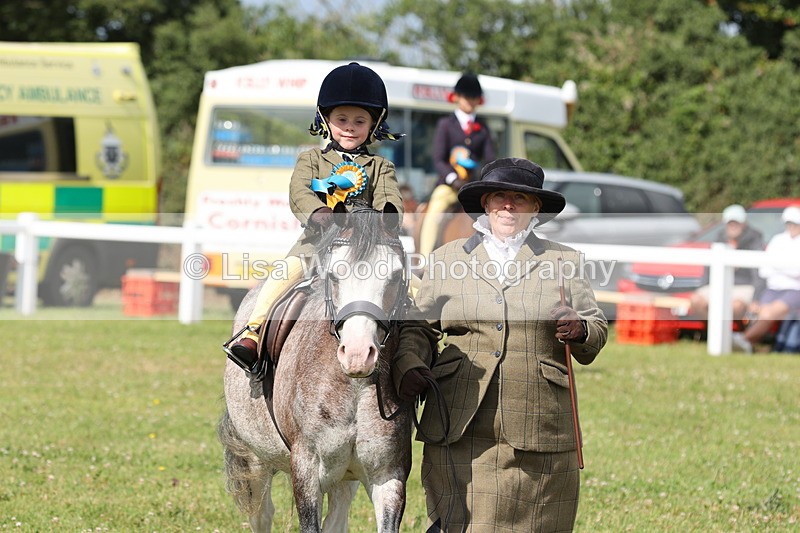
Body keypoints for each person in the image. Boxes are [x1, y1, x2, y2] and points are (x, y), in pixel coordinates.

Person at [393, 158, 608, 531]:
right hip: (460, 415)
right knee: (462, 520)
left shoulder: (564, 261)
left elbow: (597, 326)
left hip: (536, 420)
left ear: (535, 207)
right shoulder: (446, 259)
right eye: (499, 197)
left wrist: (581, 329)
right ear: (486, 204)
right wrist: (408, 364)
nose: (508, 205)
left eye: (519, 198)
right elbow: (418, 327)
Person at [226, 62, 404, 369]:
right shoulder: (310, 159)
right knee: (280, 278)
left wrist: (386, 217)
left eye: (359, 121)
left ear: (373, 125)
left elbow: (390, 198)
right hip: (315, 244)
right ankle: (253, 332)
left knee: (410, 291)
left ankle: (419, 351)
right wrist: (319, 213)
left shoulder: (381, 166)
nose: (350, 127)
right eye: (342, 119)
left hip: (367, 248)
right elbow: (299, 191)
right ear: (326, 120)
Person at [418, 72, 497, 257]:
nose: (470, 101)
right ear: (457, 97)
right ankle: (424, 259)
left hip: (474, 187)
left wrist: (481, 180)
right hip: (449, 186)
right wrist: (453, 179)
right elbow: (438, 159)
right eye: (466, 97)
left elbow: (489, 160)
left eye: (473, 97)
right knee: (435, 212)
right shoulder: (445, 125)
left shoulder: (483, 128)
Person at [732, 205, 800, 353]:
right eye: (789, 223)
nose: (791, 227)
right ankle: (747, 343)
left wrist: (778, 266)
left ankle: (743, 340)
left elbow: (796, 271)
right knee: (756, 311)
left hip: (795, 290)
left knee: (767, 313)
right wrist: (783, 267)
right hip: (772, 288)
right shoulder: (778, 240)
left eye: (794, 223)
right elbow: (765, 269)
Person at [689, 204, 765, 320]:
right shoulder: (719, 239)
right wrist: (704, 287)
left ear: (744, 223)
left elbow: (759, 274)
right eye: (730, 223)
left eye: (736, 223)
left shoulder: (754, 241)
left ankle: (727, 330)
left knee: (736, 306)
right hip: (719, 285)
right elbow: (708, 269)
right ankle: (712, 328)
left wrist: (756, 299)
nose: (733, 226)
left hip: (743, 287)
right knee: (696, 300)